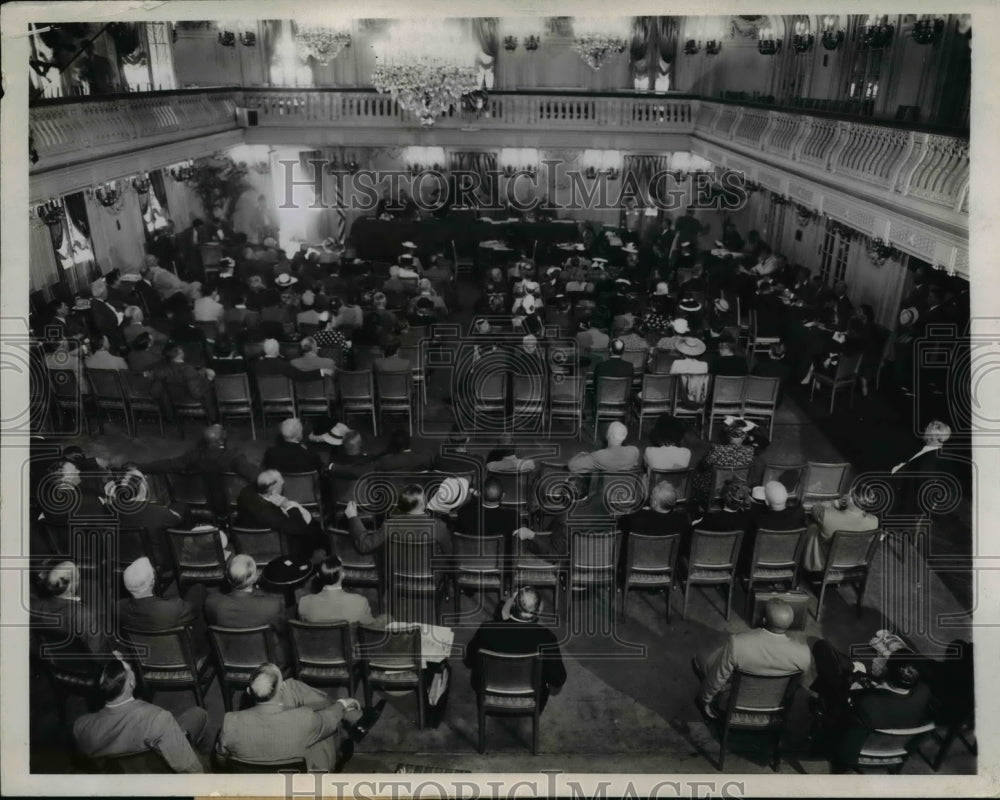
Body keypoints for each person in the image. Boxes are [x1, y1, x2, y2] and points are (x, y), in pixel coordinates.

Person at [215, 663, 362, 771]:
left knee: (294, 687)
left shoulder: (230, 722)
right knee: (324, 734)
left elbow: (221, 761)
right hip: (301, 784)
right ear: (281, 687)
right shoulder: (303, 718)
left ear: (248, 691)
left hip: (256, 786)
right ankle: (343, 744)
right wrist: (342, 703)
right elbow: (329, 720)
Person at [73, 657, 206, 773]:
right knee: (198, 714)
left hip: (122, 776)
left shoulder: (80, 726)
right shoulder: (157, 718)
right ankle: (186, 740)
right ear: (132, 683)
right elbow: (190, 770)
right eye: (129, 669)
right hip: (159, 770)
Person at [694, 598, 812, 718]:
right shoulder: (804, 653)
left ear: (763, 619)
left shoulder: (738, 644)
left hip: (733, 702)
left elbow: (718, 677)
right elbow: (796, 684)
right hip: (776, 704)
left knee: (702, 658)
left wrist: (704, 700)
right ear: (789, 623)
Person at [464, 587, 566, 712]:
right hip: (531, 700)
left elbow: (468, 660)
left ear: (512, 606)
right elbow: (558, 679)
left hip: (488, 695)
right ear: (538, 612)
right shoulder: (547, 638)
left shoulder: (486, 629)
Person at [205, 554, 290, 667]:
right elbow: (283, 629)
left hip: (230, 659)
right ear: (254, 578)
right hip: (267, 662)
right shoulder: (272, 605)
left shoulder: (211, 603)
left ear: (228, 579)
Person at [344, 484, 452, 556]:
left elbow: (364, 545)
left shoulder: (390, 524)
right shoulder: (439, 526)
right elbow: (450, 556)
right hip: (430, 584)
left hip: (397, 582)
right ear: (424, 502)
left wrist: (353, 517)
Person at [236, 470, 321, 552]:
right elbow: (300, 527)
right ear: (274, 492)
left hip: (247, 534)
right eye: (281, 484)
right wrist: (286, 504)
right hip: (273, 544)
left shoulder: (245, 492)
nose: (283, 485)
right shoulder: (271, 514)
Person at [802, 491, 879, 572]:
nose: (846, 494)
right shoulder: (874, 521)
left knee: (813, 527)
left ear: (851, 500)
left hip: (827, 562)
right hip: (854, 563)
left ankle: (811, 566)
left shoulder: (827, 516)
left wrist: (835, 503)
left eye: (849, 493)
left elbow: (815, 508)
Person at [297, 555, 386, 626]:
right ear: (342, 575)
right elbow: (370, 627)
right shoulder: (360, 602)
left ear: (318, 575)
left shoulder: (304, 603)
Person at [456, 477, 521, 538]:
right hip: (502, 550)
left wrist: (473, 494)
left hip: (470, 550)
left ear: (480, 494)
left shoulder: (464, 513)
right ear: (503, 496)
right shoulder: (513, 516)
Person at [568, 421, 640, 474]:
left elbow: (572, 466)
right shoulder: (634, 451)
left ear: (609, 436)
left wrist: (582, 454)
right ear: (624, 437)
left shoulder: (598, 456)